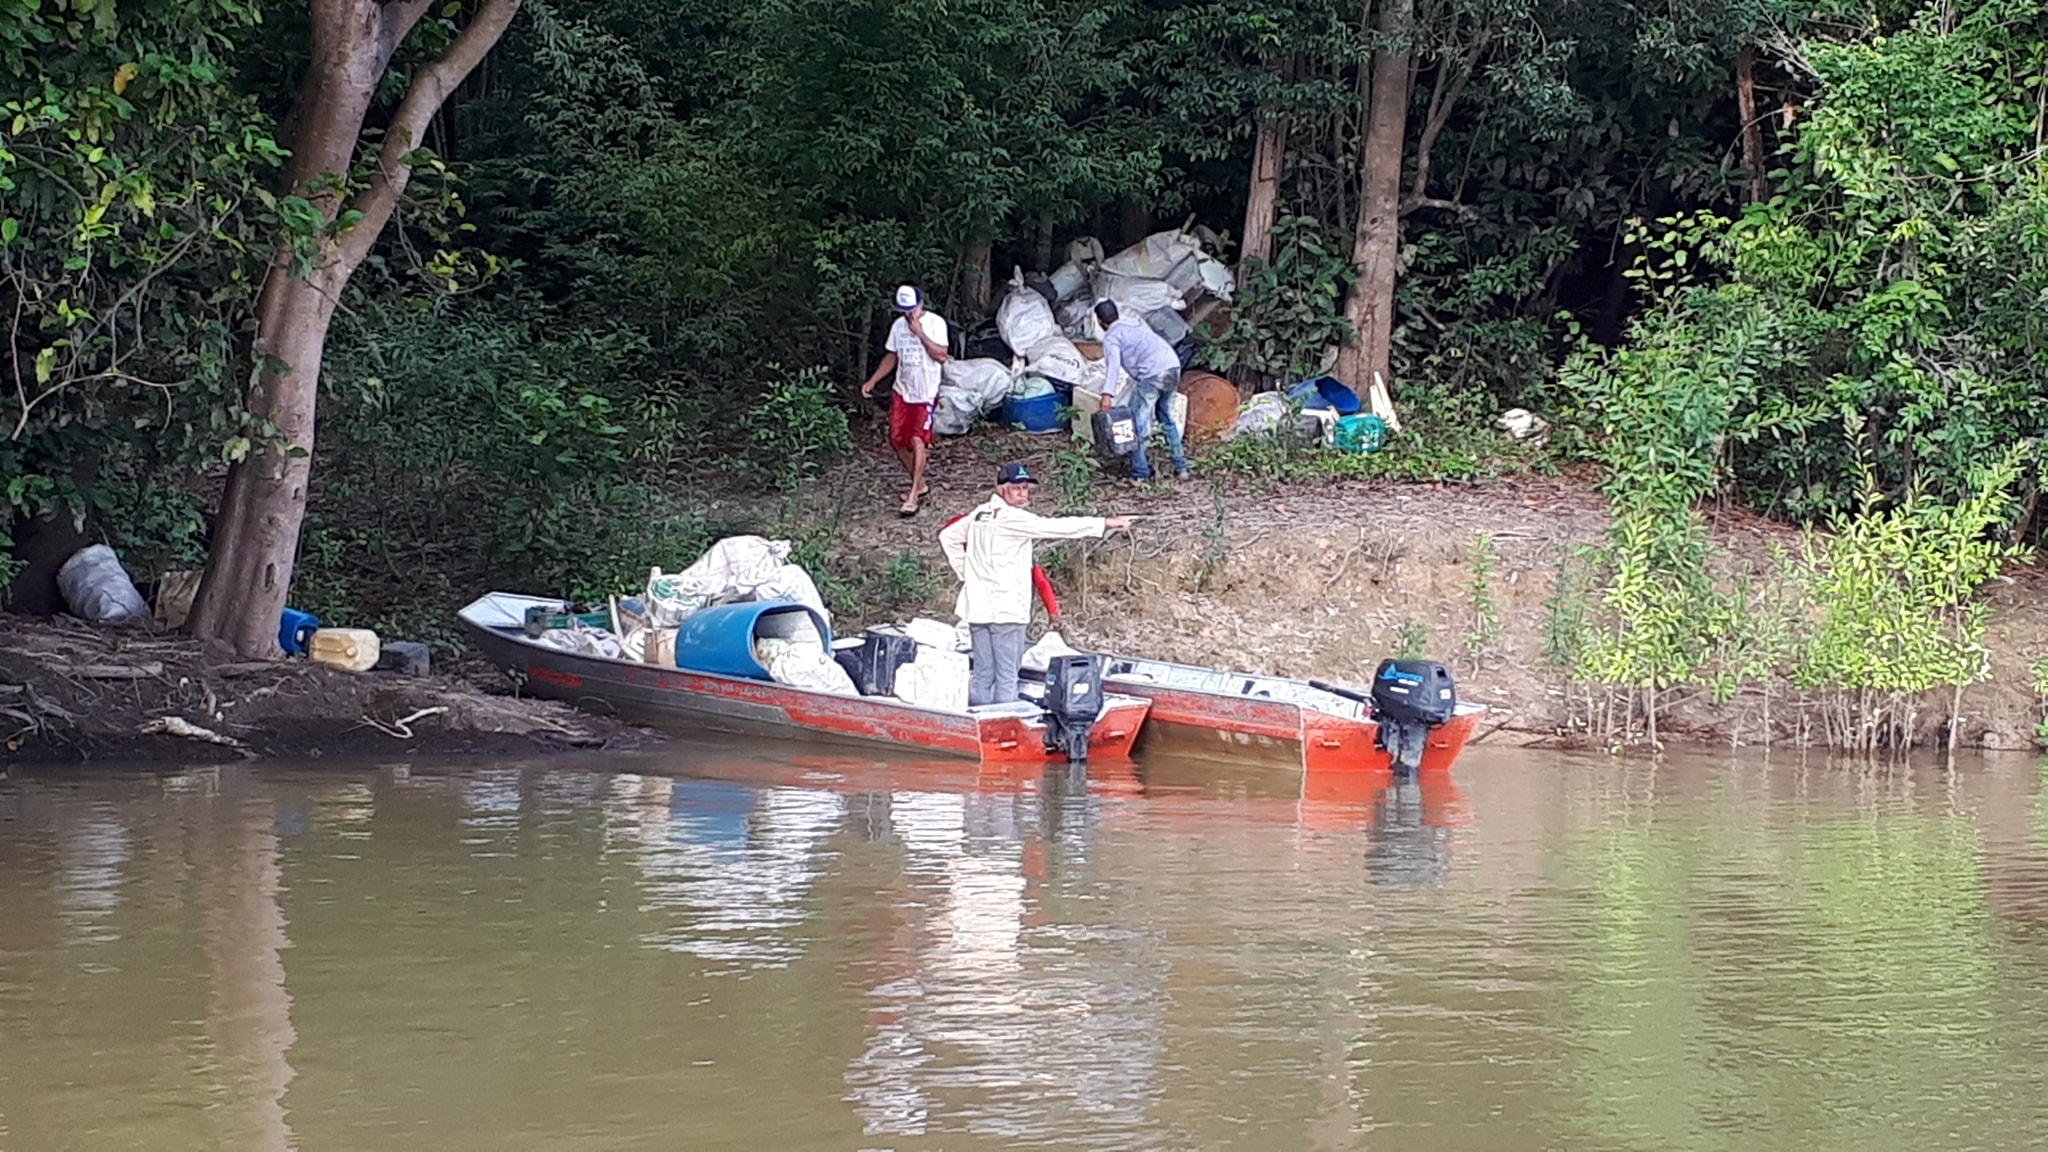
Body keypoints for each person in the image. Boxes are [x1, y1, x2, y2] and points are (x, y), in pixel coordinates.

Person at [939, 463, 1133, 706]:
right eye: (1016, 488)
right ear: (1001, 489)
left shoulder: (980, 514)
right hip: (1006, 610)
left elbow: (948, 536)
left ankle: (979, 723)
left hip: (977, 608)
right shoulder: (1012, 518)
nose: (1023, 493)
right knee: (1007, 676)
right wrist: (1105, 523)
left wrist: (967, 574)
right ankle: (1002, 728)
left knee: (983, 673)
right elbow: (1058, 527)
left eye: (1025, 488)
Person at [860, 286, 949, 517]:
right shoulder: (898, 327)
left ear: (921, 305)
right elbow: (893, 355)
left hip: (926, 392)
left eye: (912, 309)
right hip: (903, 390)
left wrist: (919, 332)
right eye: (904, 311)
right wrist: (874, 380)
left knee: (919, 439)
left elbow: (941, 356)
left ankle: (913, 496)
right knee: (897, 441)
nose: (908, 314)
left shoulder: (935, 323)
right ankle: (920, 483)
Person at [1096, 299, 1189, 483]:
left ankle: (1140, 473)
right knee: (1166, 417)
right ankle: (1181, 467)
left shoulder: (1112, 337)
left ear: (1100, 321)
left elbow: (1113, 366)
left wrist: (1107, 395)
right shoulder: (1135, 323)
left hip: (1152, 374)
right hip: (1172, 367)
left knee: (1136, 424)